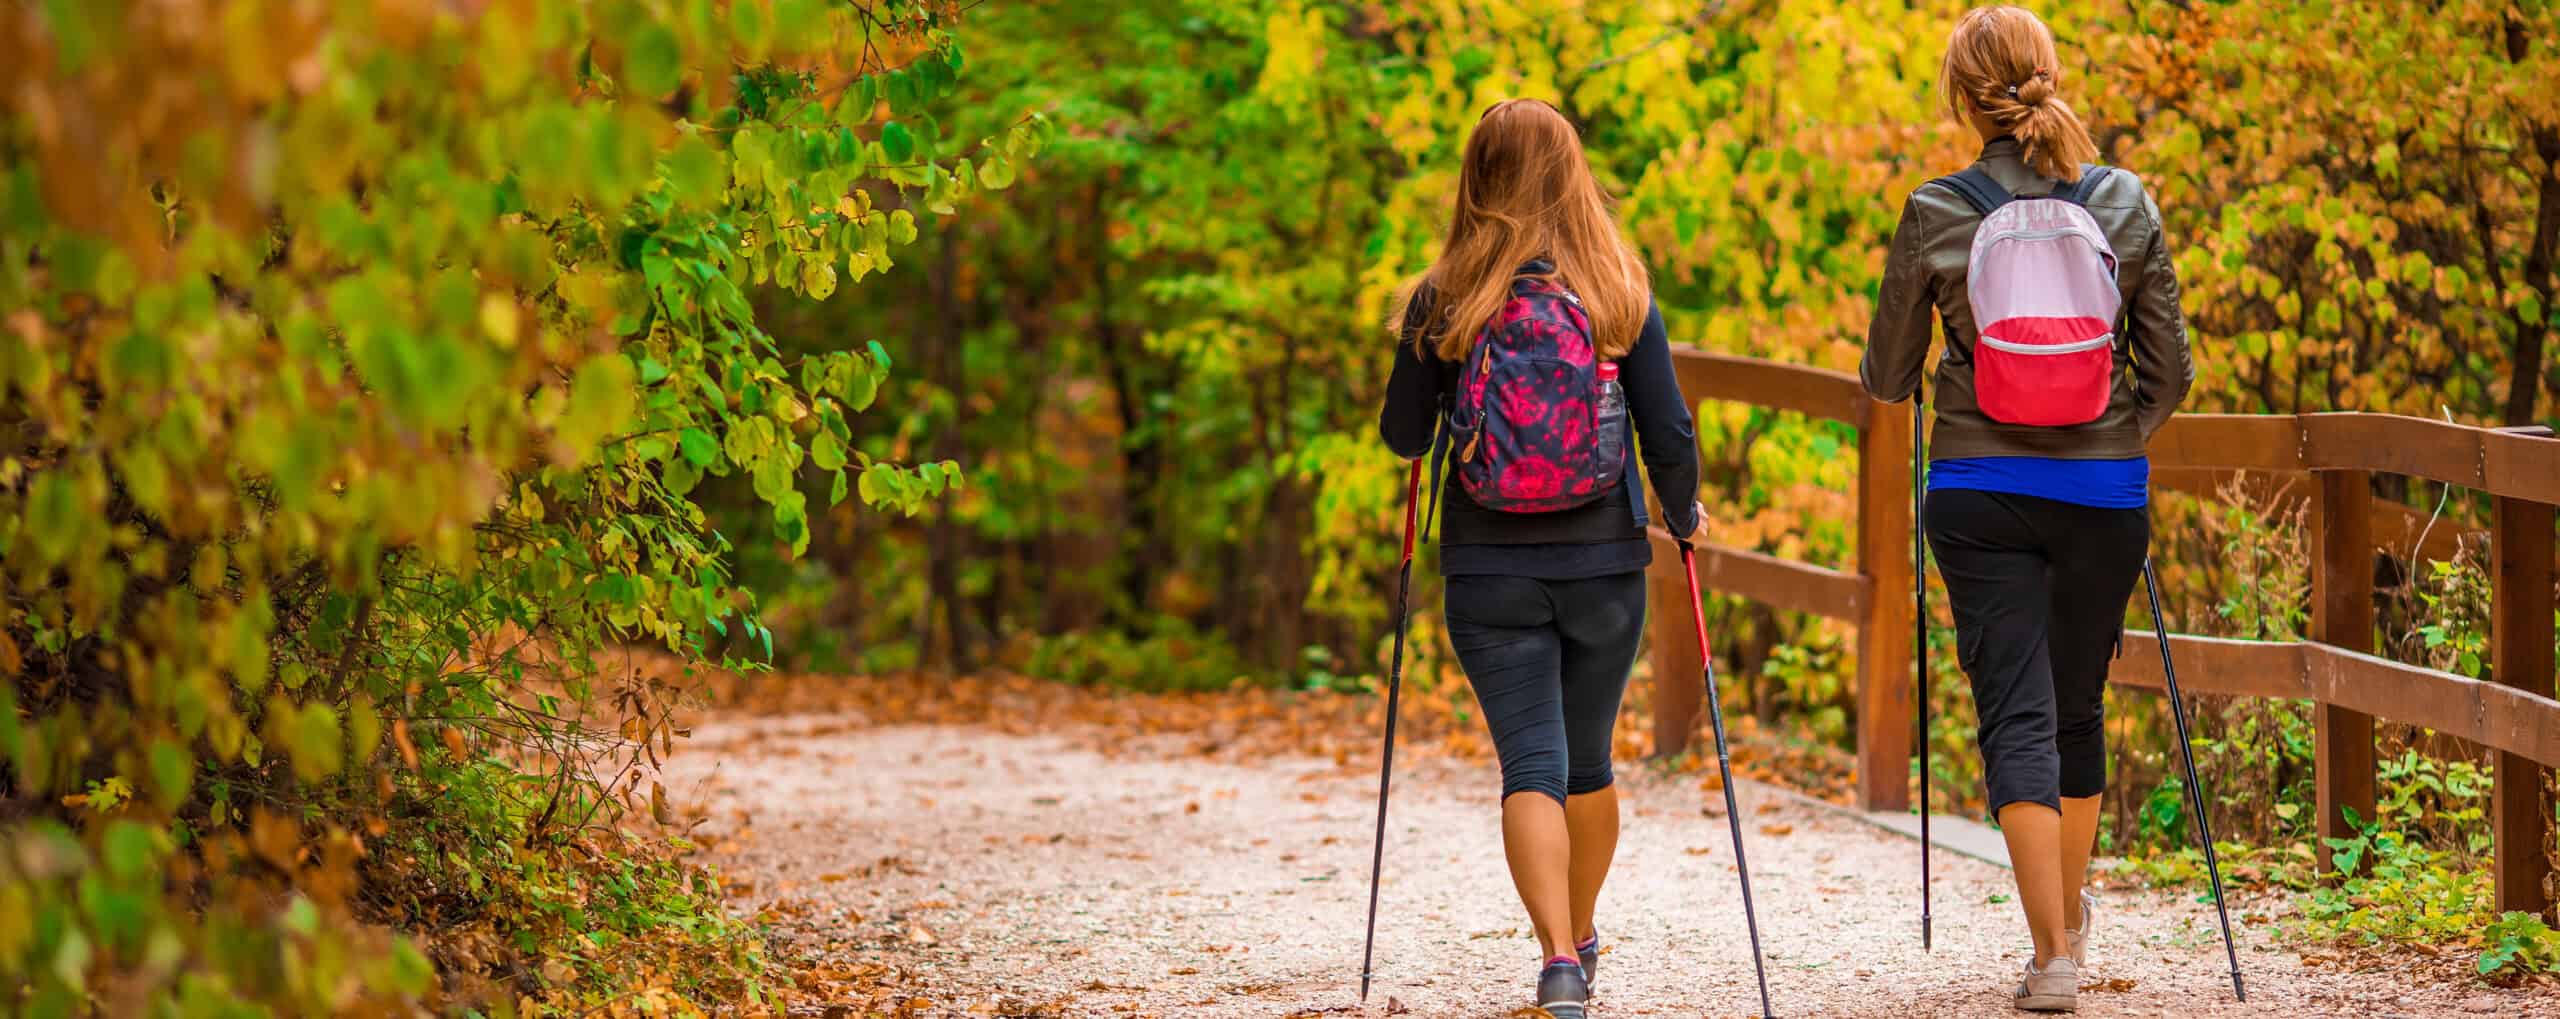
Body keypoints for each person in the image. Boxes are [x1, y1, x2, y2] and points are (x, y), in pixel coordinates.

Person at [1862, 5, 2194, 1013]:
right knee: (2078, 701)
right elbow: (2169, 367)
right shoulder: (2124, 201)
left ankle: (2052, 953)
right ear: (2049, 75)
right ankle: (2068, 919)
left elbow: (1886, 377)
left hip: (1977, 490)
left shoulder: (1935, 209)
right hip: (2102, 488)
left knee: (2014, 708)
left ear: (1962, 97)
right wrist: (2112, 436)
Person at [1379, 98, 1701, 1019]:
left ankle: (1557, 955)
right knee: (1588, 763)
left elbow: (1405, 434)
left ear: (1477, 178)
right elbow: (1667, 429)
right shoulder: (1617, 289)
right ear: (1573, 176)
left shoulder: (1443, 296)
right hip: (1604, 565)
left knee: (1530, 765)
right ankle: (1583, 934)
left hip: (1489, 569)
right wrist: (1682, 514)